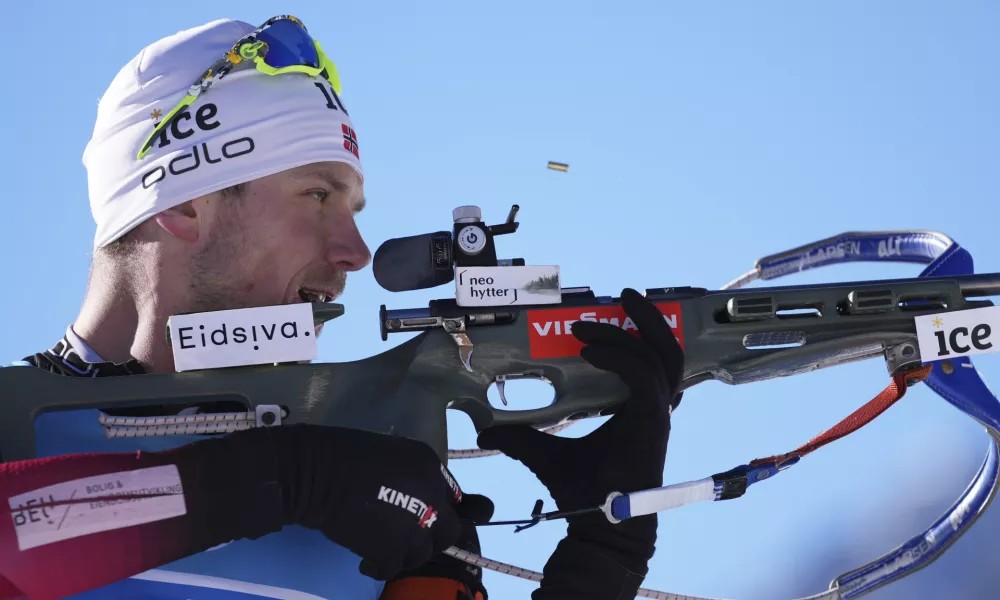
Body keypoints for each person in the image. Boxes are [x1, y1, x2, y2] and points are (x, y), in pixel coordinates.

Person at [0, 16, 685, 600]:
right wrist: (289, 478)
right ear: (182, 204)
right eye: (317, 195)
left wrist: (600, 557)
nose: (356, 252)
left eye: (353, 209)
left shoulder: (379, 496)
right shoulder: (336, 480)